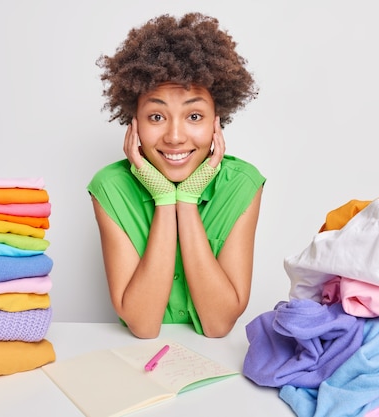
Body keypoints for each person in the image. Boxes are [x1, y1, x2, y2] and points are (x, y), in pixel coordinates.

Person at [87, 12, 265, 339]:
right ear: (134, 122)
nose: (174, 136)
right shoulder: (109, 187)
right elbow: (142, 325)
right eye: (157, 116)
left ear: (216, 120)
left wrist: (187, 199)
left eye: (194, 116)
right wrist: (164, 198)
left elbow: (218, 325)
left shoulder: (243, 184)